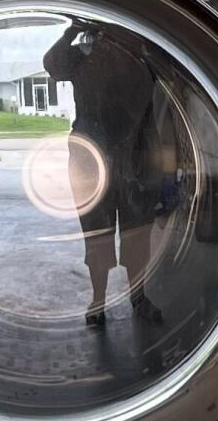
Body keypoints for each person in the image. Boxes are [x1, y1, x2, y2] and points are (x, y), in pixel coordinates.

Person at [41, 17, 167, 330]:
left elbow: (166, 73)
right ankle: (98, 301)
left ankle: (139, 298)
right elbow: (52, 64)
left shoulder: (141, 56)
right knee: (97, 236)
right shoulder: (83, 57)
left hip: (135, 160)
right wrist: (73, 29)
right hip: (91, 162)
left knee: (137, 235)